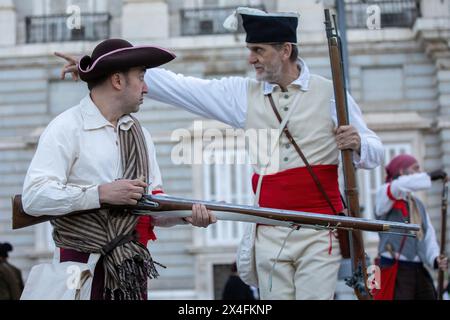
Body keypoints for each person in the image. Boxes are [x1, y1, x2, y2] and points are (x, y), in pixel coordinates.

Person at [57, 7, 384, 299]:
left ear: (285, 51)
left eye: (258, 50)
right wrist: (98, 69)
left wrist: (358, 144)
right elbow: (183, 87)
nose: (251, 58)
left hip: (319, 230)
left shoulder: (330, 94)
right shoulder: (243, 94)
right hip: (269, 232)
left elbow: (375, 153)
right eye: (250, 50)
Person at [22, 39, 216, 300]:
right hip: (77, 269)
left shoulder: (141, 135)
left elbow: (150, 206)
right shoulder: (66, 127)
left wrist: (186, 215)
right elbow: (34, 197)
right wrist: (101, 194)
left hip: (129, 269)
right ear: (117, 81)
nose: (146, 88)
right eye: (141, 77)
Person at [374, 154, 448, 300]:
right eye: (415, 168)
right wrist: (430, 176)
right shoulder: (385, 194)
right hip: (394, 269)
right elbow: (397, 186)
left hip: (417, 268)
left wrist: (435, 258)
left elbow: (428, 237)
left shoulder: (418, 205)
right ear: (402, 172)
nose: (420, 172)